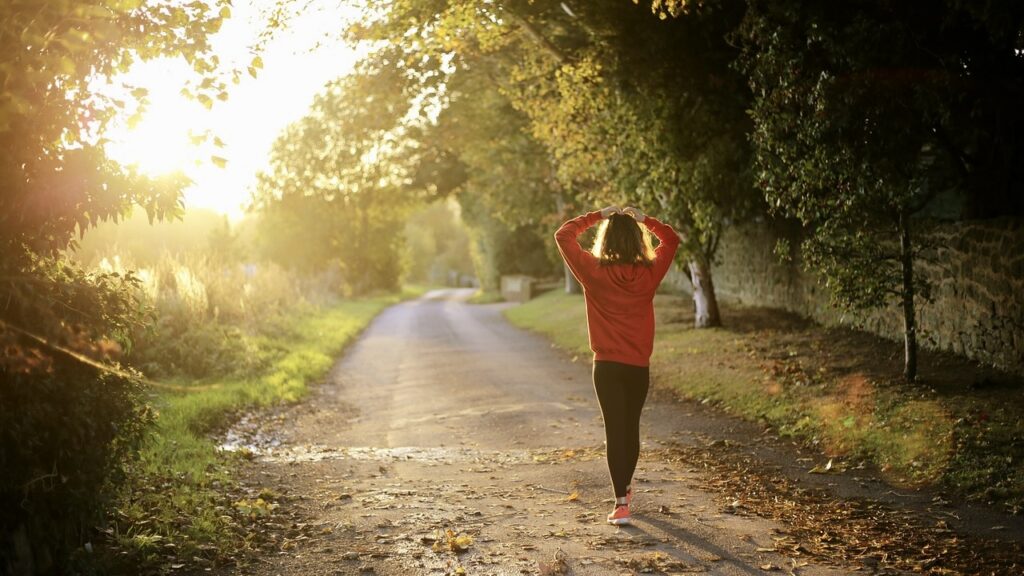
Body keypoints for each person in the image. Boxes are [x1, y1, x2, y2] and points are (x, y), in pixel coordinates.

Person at [554, 205, 680, 526]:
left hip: (607, 367)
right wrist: (645, 220)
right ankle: (624, 490)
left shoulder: (593, 272)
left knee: (615, 430)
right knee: (631, 428)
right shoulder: (650, 273)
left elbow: (563, 235)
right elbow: (672, 239)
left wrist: (598, 215)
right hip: (638, 366)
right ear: (638, 241)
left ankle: (621, 502)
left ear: (605, 240)